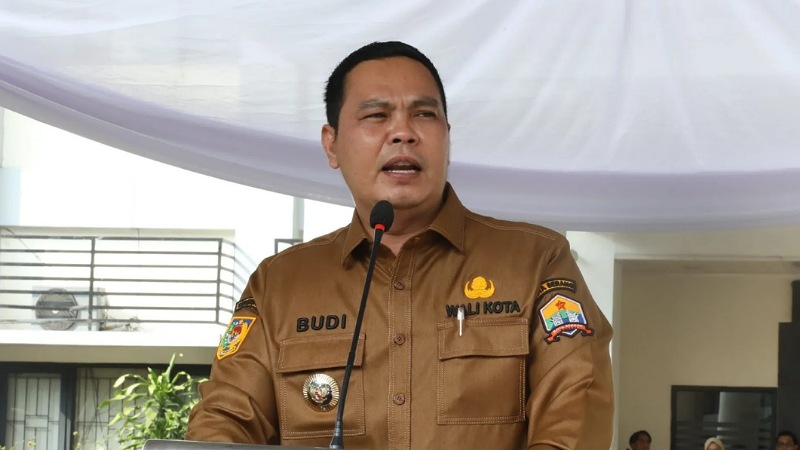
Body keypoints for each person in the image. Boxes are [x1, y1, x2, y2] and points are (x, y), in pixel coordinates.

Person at [185, 40, 614, 449]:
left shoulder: (536, 261)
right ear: (332, 144)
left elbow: (574, 413)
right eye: (377, 115)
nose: (403, 133)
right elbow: (224, 422)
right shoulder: (279, 284)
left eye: (424, 115)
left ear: (447, 137)